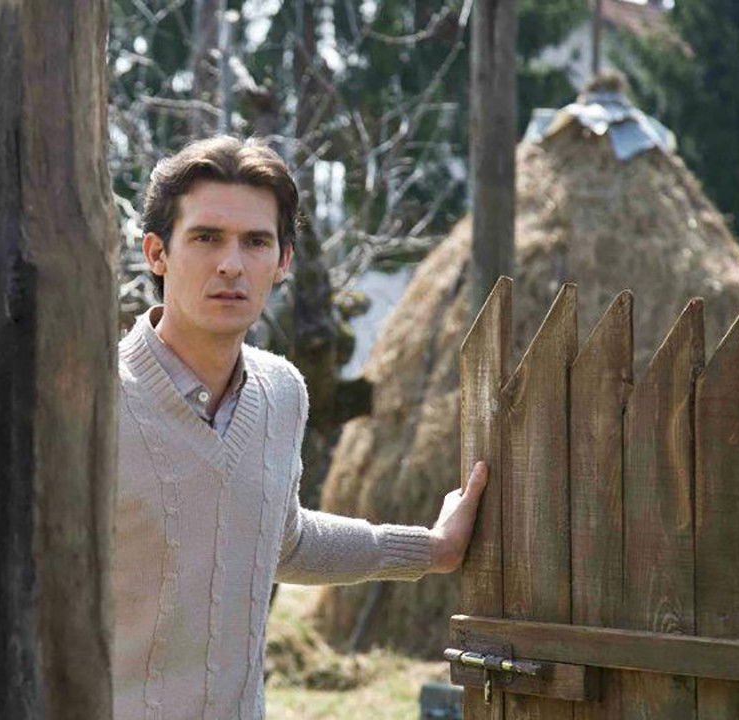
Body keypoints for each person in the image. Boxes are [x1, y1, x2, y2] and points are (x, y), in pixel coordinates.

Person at [115, 135, 489, 719]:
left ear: (283, 262)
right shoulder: (96, 397)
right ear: (157, 253)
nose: (232, 264)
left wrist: (431, 549)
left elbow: (283, 539)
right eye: (207, 237)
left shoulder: (281, 391)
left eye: (256, 241)